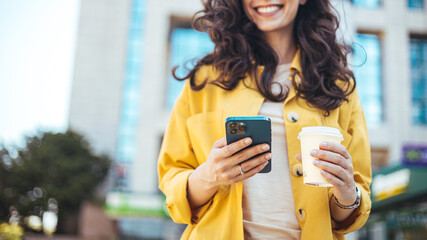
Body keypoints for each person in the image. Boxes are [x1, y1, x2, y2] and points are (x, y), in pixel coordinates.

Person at [158, 0, 372, 239]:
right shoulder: (205, 80)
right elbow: (172, 183)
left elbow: (353, 207)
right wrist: (210, 175)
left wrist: (347, 194)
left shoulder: (339, 86)